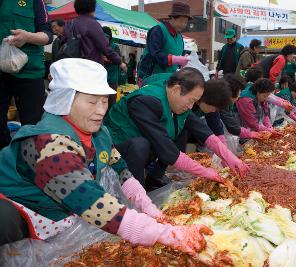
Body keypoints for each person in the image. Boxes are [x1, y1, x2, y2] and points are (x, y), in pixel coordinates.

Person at [0, 58, 211, 254]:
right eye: (92, 102)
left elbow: (122, 171)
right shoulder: (47, 143)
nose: (101, 110)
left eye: (104, 101)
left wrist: (149, 209)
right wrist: (167, 234)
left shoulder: (98, 134)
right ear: (65, 101)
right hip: (21, 210)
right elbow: (93, 204)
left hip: (57, 213)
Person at [104, 69, 249, 191]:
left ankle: (153, 180)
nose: (192, 107)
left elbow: (202, 130)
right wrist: (205, 172)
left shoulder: (176, 99)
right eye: (191, 100)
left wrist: (230, 157)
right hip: (114, 150)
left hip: (142, 143)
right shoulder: (145, 102)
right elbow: (166, 150)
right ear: (176, 89)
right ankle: (134, 195)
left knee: (175, 131)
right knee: (141, 145)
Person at [0, 0, 53, 149]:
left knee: (32, 126)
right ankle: (4, 158)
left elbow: (48, 35)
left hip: (30, 72)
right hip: (1, 72)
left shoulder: (36, 1)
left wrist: (28, 37)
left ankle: (28, 166)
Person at [62, 0, 127, 72]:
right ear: (92, 8)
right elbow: (104, 47)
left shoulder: (69, 24)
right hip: (89, 68)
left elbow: (63, 45)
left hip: (71, 68)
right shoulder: (93, 24)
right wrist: (120, 62)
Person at [137, 1, 191, 84]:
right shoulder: (158, 30)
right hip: (151, 77)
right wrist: (174, 59)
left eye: (186, 22)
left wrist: (184, 60)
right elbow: (154, 54)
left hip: (170, 79)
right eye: (181, 21)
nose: (183, 24)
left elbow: (179, 55)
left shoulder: (180, 37)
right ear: (172, 18)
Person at [204, 74, 268, 141]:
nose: (239, 96)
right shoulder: (219, 104)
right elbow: (232, 127)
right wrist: (251, 134)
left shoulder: (223, 103)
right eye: (239, 93)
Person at [102, 26, 121, 109]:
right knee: (102, 101)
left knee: (111, 101)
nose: (105, 39)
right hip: (101, 78)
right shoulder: (100, 46)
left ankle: (110, 119)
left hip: (112, 78)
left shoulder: (115, 47)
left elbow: (117, 60)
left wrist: (106, 59)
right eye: (103, 37)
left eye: (106, 37)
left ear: (110, 37)